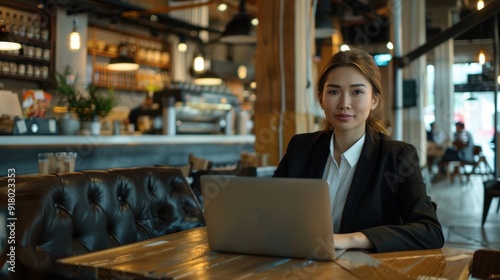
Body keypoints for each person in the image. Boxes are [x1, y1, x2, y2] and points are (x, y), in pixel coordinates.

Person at [273, 49, 444, 253]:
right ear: (321, 98)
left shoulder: (398, 157)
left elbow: (430, 231)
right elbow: (268, 210)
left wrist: (351, 239)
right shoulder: (300, 148)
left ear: (374, 100)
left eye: (357, 92)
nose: (344, 104)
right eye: (333, 92)